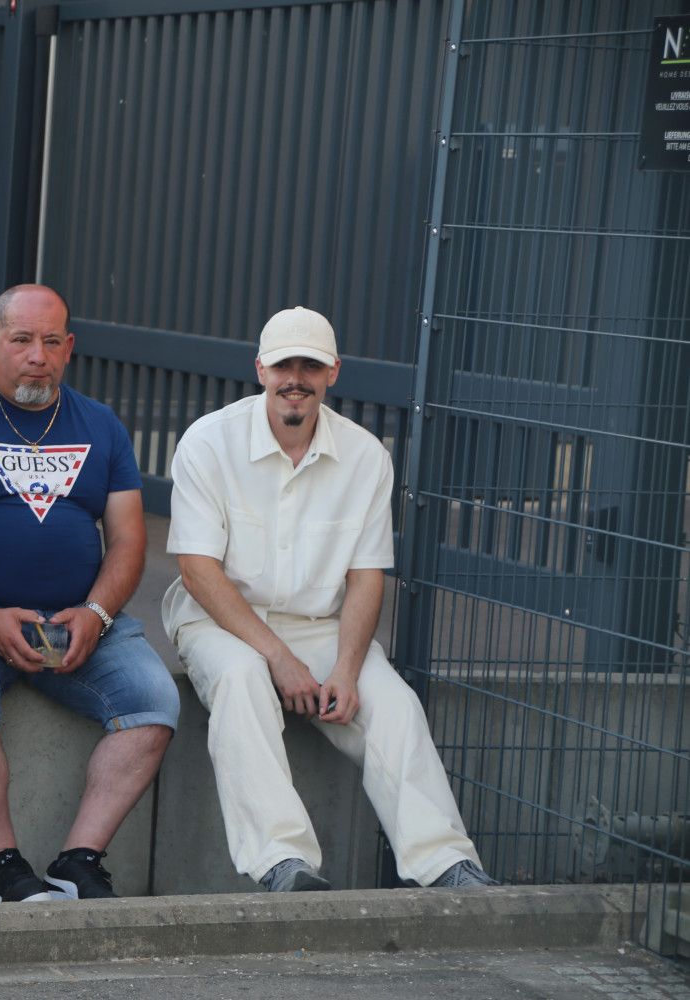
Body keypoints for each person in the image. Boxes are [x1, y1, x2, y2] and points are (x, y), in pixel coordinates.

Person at [162, 305, 499, 891]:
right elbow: (197, 571)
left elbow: (367, 577)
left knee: (393, 705)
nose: (295, 379)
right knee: (242, 680)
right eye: (283, 365)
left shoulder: (366, 456)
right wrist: (277, 658)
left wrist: (345, 667)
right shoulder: (208, 442)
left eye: (310, 366)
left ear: (333, 372)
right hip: (220, 621)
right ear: (260, 369)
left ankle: (446, 864)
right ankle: (282, 862)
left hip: (319, 626)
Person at [0, 283, 179, 903]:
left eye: (52, 342)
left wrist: (97, 613)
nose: (37, 356)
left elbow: (129, 539)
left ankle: (79, 861)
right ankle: (7, 871)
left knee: (155, 699)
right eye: (21, 340)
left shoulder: (100, 425)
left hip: (77, 618)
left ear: (69, 347)